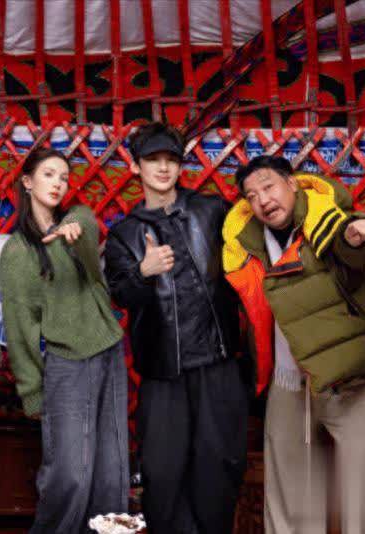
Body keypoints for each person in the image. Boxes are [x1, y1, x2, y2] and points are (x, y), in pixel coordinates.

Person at [223, 155, 365, 534]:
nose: (263, 200)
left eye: (268, 186)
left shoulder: (325, 216)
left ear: (292, 183)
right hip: (287, 378)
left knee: (364, 482)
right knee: (287, 485)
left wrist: (364, 231)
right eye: (252, 195)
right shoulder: (245, 244)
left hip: (345, 372)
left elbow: (358, 241)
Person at [103, 123, 247, 534]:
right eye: (153, 160)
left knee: (219, 466)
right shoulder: (124, 235)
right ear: (136, 167)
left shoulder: (212, 211)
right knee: (162, 472)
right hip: (163, 372)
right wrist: (144, 272)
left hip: (218, 362)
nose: (163, 168)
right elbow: (121, 296)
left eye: (171, 159)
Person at [0, 149, 128, 533]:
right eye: (48, 174)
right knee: (70, 474)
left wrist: (71, 231)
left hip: (108, 351)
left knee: (112, 473)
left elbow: (86, 227)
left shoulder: (79, 222)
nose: (58, 183)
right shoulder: (17, 252)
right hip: (66, 363)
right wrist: (31, 392)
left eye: (64, 177)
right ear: (27, 182)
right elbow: (20, 327)